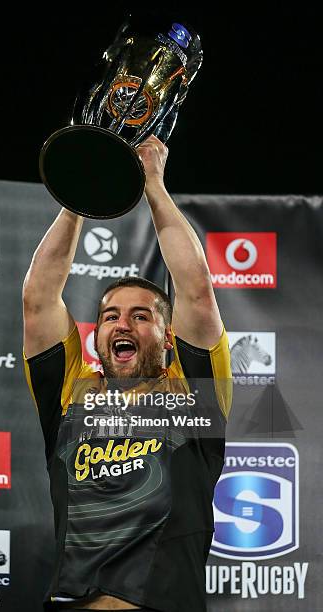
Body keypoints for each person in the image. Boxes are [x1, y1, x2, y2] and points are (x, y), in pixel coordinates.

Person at [23, 135, 232, 612]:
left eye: (142, 316)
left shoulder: (194, 394)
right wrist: (78, 196)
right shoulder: (70, 394)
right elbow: (38, 298)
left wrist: (154, 185)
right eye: (111, 315)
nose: (122, 323)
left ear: (169, 337)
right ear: (96, 334)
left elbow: (197, 292)